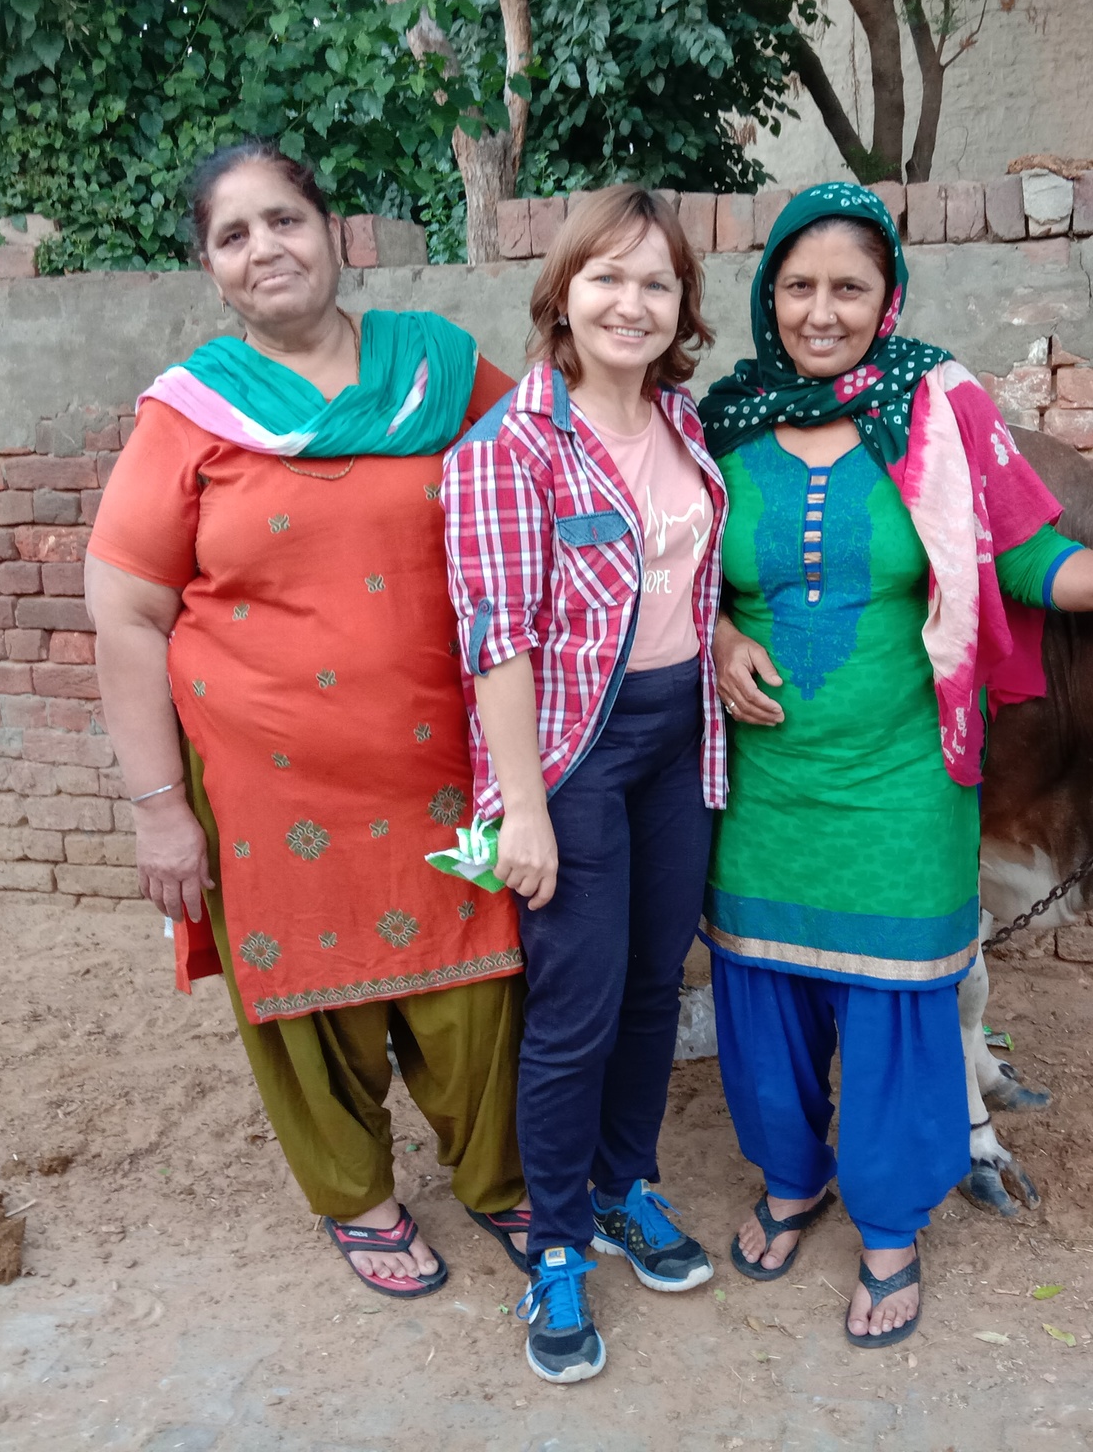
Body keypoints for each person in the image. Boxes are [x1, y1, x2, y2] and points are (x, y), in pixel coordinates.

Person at [699, 183, 1093, 1350]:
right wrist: (714, 634)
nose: (821, 312)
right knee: (762, 993)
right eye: (798, 286)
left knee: (899, 1000)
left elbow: (1030, 559)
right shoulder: (721, 419)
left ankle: (889, 1230)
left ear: (885, 295)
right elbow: (674, 567)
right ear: (768, 294)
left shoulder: (937, 407)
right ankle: (788, 1179)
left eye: (847, 288)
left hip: (904, 774)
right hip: (766, 779)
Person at [85, 140, 533, 1301]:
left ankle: (497, 1180)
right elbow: (127, 615)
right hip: (264, 788)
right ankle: (359, 1198)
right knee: (305, 1001)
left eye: (282, 219)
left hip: (444, 769)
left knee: (474, 989)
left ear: (335, 231)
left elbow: (547, 480)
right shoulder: (189, 416)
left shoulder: (438, 367)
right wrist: (157, 814)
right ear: (210, 269)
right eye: (232, 236)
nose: (263, 248)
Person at [441, 186, 728, 1385]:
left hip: (679, 739)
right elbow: (494, 641)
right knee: (576, 1007)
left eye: (655, 282)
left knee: (656, 984)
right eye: (606, 277)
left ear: (679, 310)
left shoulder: (685, 426)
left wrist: (728, 651)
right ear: (562, 293)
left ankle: (625, 1185)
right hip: (570, 751)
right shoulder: (509, 448)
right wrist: (523, 807)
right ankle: (556, 1243)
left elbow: (689, 588)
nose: (631, 301)